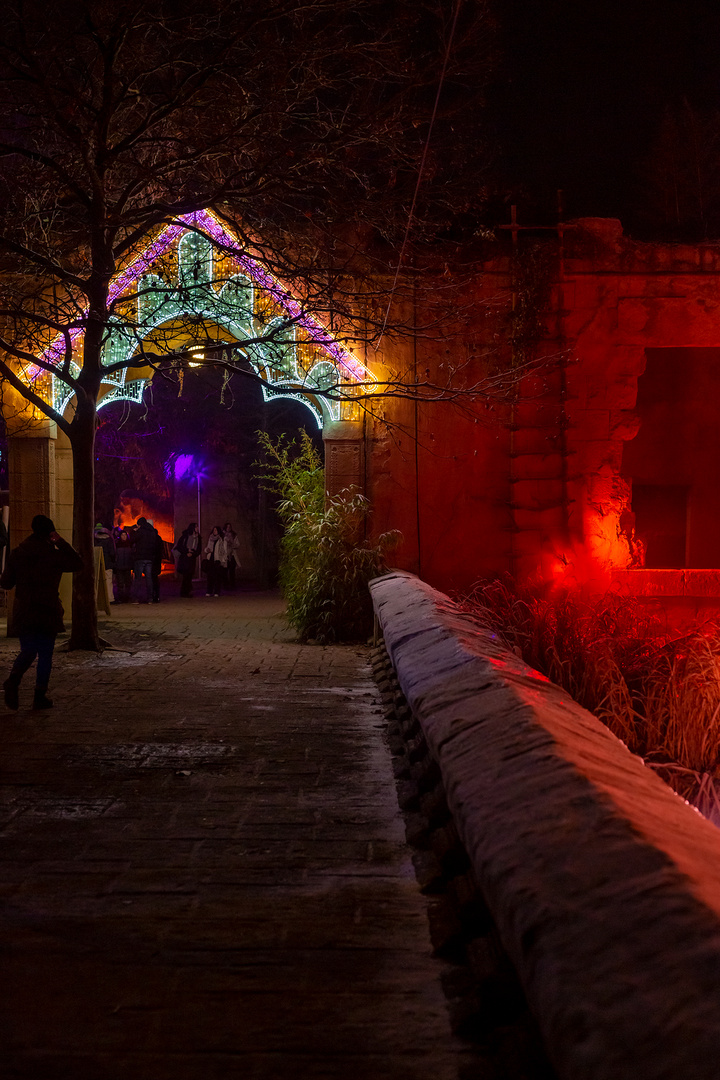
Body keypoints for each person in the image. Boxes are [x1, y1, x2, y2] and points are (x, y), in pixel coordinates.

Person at [1, 514, 82, 710]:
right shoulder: (53, 554)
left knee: (28, 650)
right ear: (49, 533)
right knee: (46, 654)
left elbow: (6, 583)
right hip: (47, 609)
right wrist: (60, 541)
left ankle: (13, 681)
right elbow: (77, 563)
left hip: (25, 609)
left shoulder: (18, 553)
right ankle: (39, 695)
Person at [131, 516, 159, 604]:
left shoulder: (140, 531)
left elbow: (132, 540)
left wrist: (134, 532)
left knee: (138, 579)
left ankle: (136, 598)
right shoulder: (152, 532)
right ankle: (150, 598)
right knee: (149, 579)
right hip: (149, 558)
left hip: (140, 557)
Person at [174, 522, 201, 598]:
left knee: (189, 575)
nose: (197, 528)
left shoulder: (198, 538)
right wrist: (186, 551)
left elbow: (199, 549)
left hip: (192, 559)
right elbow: (179, 546)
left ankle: (187, 591)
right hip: (185, 558)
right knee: (186, 575)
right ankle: (185, 592)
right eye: (196, 527)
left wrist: (193, 554)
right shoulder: (185, 536)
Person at [93, 522, 116, 603]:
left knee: (96, 581)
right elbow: (112, 553)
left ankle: (96, 598)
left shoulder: (94, 540)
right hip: (108, 563)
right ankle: (110, 599)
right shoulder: (109, 540)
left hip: (97, 563)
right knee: (108, 581)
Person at [203, 525, 227, 597]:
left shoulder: (222, 539)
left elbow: (224, 551)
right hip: (210, 559)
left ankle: (217, 591)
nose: (214, 531)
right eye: (214, 530)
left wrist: (223, 560)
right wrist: (207, 550)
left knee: (217, 577)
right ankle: (209, 591)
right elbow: (207, 547)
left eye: (216, 530)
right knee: (210, 576)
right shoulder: (211, 538)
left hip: (218, 560)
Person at [113, 528, 133, 603]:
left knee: (128, 583)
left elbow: (132, 556)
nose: (124, 536)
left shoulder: (129, 544)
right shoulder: (117, 544)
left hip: (127, 566)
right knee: (120, 583)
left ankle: (127, 597)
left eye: (125, 535)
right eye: (122, 535)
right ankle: (121, 597)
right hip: (119, 566)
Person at [223, 522, 240, 589]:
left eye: (229, 527)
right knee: (225, 571)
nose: (228, 528)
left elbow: (238, 544)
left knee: (232, 571)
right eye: (227, 527)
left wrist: (233, 545)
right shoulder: (223, 535)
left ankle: (232, 585)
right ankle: (225, 584)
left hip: (232, 555)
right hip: (225, 555)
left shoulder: (234, 535)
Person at [150, 526, 164, 603]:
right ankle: (156, 595)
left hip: (153, 562)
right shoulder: (158, 539)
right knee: (155, 579)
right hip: (156, 562)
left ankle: (154, 595)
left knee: (152, 579)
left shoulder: (153, 540)